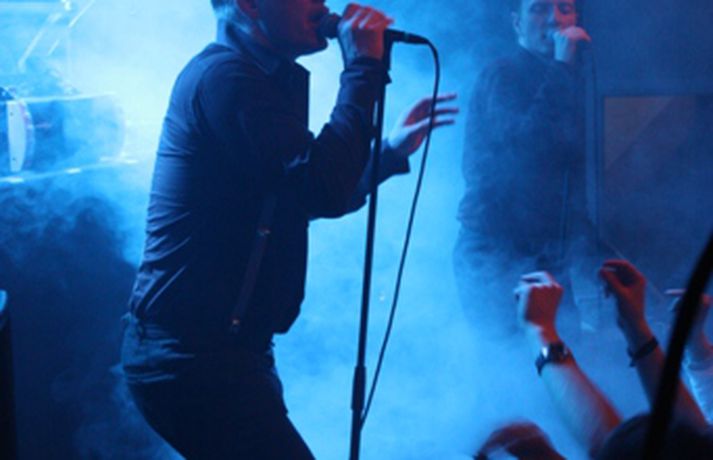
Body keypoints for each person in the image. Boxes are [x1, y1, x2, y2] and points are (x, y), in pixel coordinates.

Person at [120, 1, 457, 458]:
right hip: (191, 359)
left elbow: (299, 199)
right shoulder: (224, 78)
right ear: (248, 5)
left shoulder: (256, 81)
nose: (324, 4)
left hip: (226, 354)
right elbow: (321, 186)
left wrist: (389, 153)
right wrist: (363, 67)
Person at [454, 0, 593, 338]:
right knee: (511, 360)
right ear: (517, 23)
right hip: (496, 252)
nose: (555, 19)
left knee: (563, 358)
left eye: (565, 8)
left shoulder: (568, 77)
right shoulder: (502, 75)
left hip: (546, 253)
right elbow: (525, 150)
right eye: (539, 9)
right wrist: (563, 68)